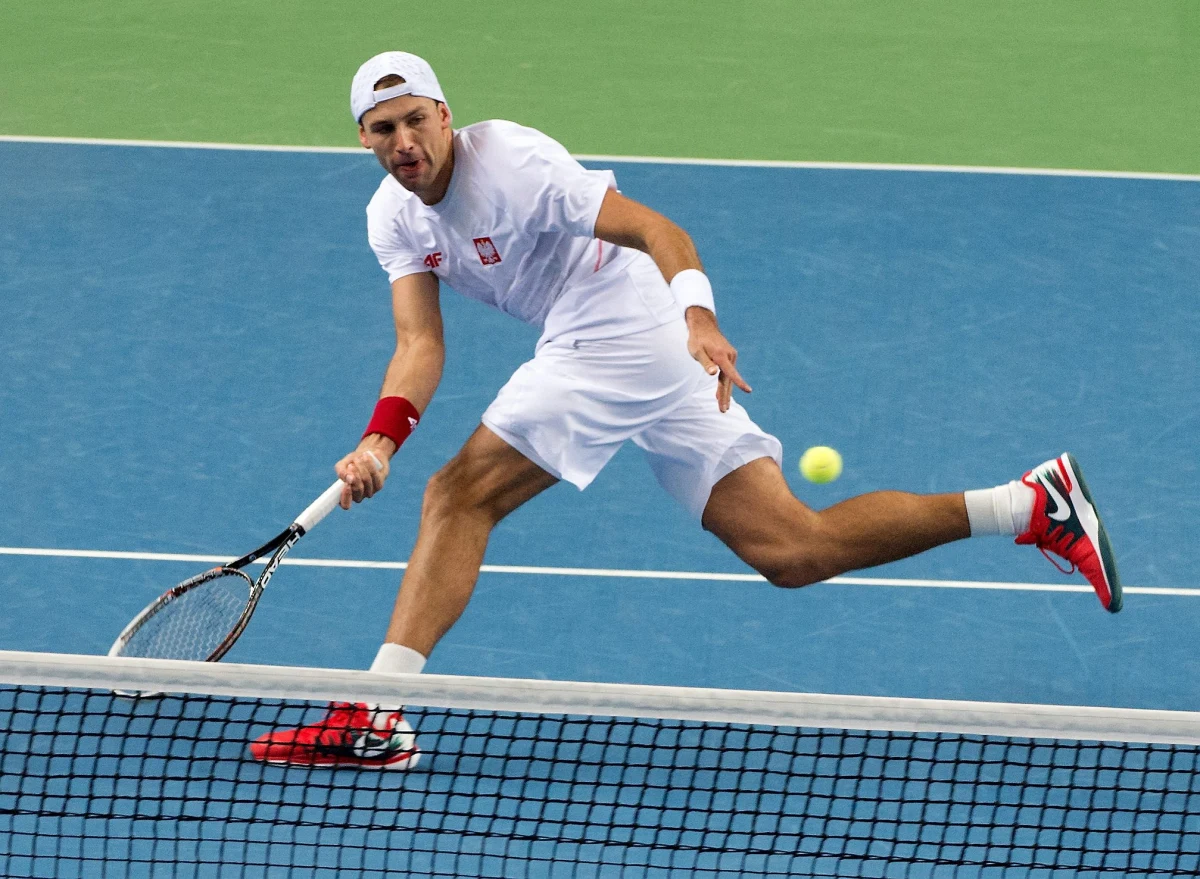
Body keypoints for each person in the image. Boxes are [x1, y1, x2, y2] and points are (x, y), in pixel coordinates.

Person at [249, 52, 1122, 769]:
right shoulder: (392, 216)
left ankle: (379, 712)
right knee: (793, 548)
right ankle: (1032, 502)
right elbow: (419, 344)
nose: (404, 142)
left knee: (459, 494)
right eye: (382, 131)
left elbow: (660, 231)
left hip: (622, 320)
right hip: (618, 343)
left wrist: (697, 315)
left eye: (416, 120)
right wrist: (379, 439)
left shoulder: (514, 164)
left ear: (446, 114)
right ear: (364, 141)